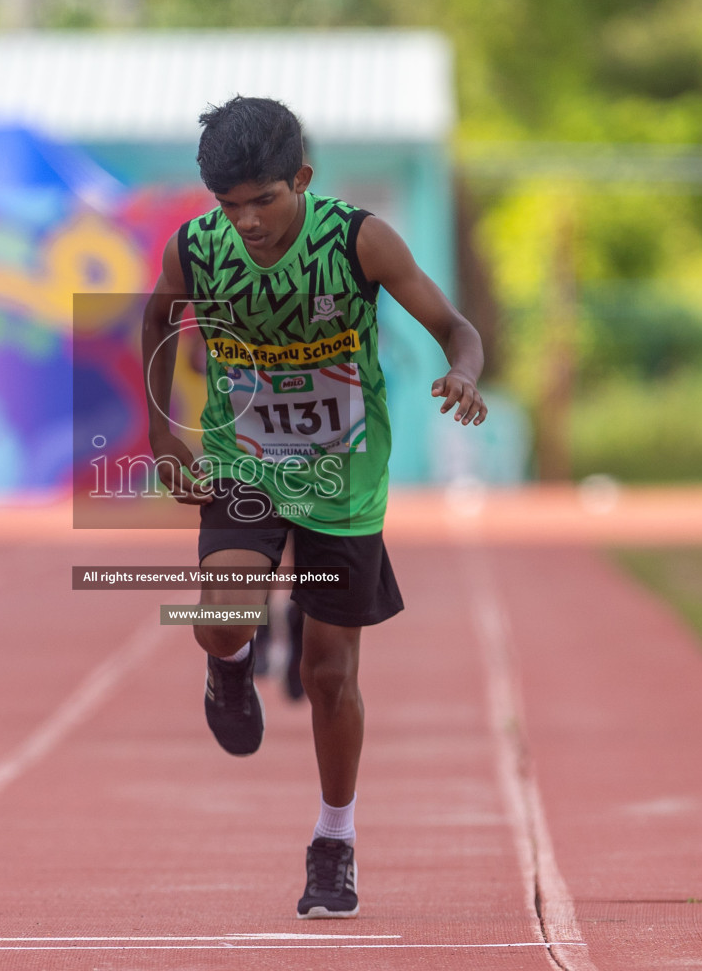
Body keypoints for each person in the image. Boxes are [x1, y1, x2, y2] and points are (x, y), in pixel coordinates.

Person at [141, 96, 486, 919]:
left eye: (264, 199)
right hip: (244, 458)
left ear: (302, 177)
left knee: (328, 671)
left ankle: (335, 842)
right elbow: (155, 317)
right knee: (222, 618)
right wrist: (161, 436)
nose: (249, 222)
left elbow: (454, 326)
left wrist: (464, 373)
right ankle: (228, 669)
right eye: (231, 206)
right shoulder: (196, 250)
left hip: (344, 475)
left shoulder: (358, 239)